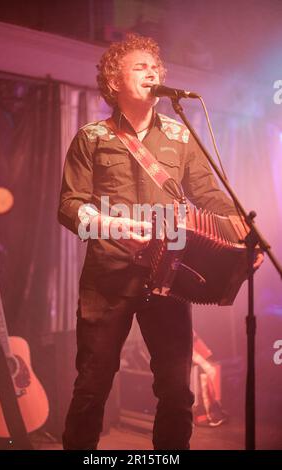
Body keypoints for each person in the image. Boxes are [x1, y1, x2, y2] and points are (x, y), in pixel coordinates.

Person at [58, 33, 263, 450]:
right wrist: (114, 229)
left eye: (156, 67)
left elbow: (210, 195)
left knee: (176, 390)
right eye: (140, 66)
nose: (152, 72)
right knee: (92, 388)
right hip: (108, 278)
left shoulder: (182, 135)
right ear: (114, 81)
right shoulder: (91, 137)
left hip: (168, 275)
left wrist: (246, 237)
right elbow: (69, 207)